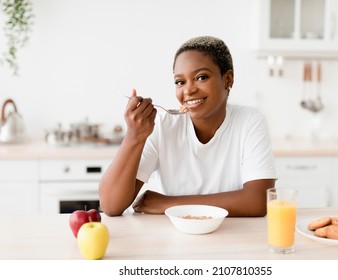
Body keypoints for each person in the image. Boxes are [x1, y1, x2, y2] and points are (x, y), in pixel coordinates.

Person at [99, 36, 277, 217]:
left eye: (201, 77)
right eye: (180, 82)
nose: (188, 90)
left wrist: (168, 204)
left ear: (228, 79)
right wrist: (134, 136)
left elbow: (258, 201)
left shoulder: (249, 121)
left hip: (233, 237)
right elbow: (111, 206)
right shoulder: (162, 125)